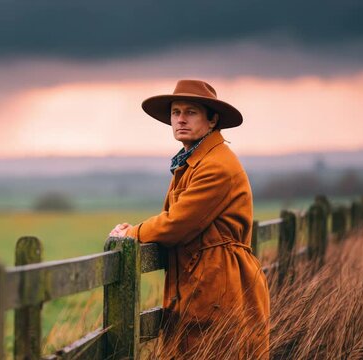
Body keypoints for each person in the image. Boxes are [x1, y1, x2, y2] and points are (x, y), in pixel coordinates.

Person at [110, 80, 269, 358]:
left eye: (191, 112)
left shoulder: (216, 165)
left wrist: (132, 234)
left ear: (212, 120)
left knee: (215, 351)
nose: (180, 119)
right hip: (203, 279)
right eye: (176, 112)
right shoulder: (194, 160)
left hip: (218, 284)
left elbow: (178, 223)